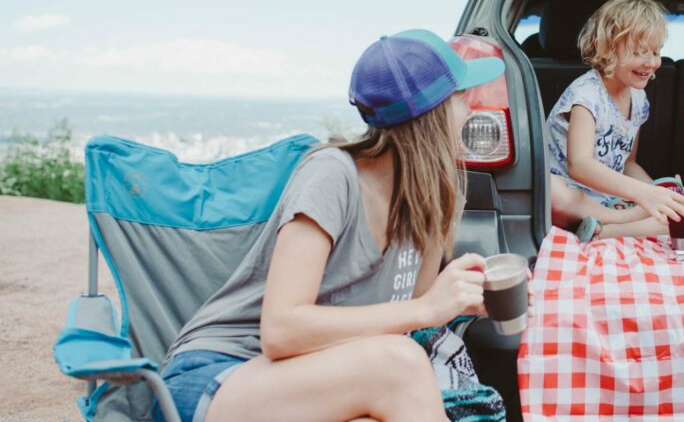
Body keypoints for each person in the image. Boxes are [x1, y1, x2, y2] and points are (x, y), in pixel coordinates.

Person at [154, 30, 506, 422]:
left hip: (317, 383)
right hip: (221, 377)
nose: (472, 110)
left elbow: (410, 314)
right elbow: (282, 331)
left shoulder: (433, 196)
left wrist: (465, 299)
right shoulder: (333, 176)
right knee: (400, 365)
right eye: (461, 98)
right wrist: (427, 308)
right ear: (434, 113)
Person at [547, 0, 684, 241]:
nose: (651, 62)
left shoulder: (638, 99)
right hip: (577, 197)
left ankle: (607, 232)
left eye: (656, 51)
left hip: (613, 200)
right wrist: (643, 196)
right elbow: (580, 165)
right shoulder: (585, 96)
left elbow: (628, 164)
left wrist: (664, 193)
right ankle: (619, 222)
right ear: (607, 47)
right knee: (553, 193)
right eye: (639, 52)